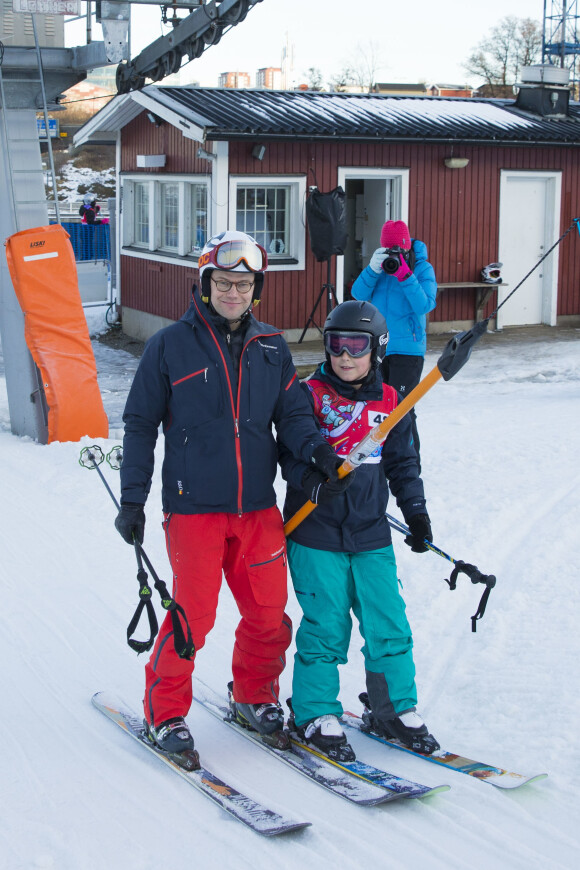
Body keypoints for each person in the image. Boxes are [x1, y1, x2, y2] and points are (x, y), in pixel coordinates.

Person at [113, 230, 349, 760]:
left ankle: (254, 694)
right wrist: (133, 500)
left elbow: (294, 418)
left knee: (268, 613)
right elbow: (140, 425)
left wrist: (318, 456)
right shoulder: (168, 346)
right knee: (192, 617)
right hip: (193, 509)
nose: (233, 293)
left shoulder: (272, 347)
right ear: (205, 283)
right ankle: (165, 712)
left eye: (244, 284)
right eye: (223, 282)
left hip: (257, 509)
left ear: (256, 289)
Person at [279, 299, 439, 762]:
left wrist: (416, 514)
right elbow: (290, 451)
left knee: (388, 622)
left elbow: (403, 463)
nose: (345, 356)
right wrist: (313, 480)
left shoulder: (393, 401)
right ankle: (314, 712)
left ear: (378, 349)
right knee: (326, 625)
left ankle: (394, 709)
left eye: (356, 345)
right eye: (336, 344)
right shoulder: (308, 395)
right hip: (315, 532)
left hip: (370, 533)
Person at [351, 220, 437, 473]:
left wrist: (405, 275)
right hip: (379, 347)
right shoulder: (379, 269)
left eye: (397, 250)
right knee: (375, 407)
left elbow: (425, 305)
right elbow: (358, 294)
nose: (393, 256)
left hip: (408, 351)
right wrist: (372, 270)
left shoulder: (421, 268)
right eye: (388, 250)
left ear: (406, 246)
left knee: (402, 409)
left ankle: (409, 466)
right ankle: (378, 462)